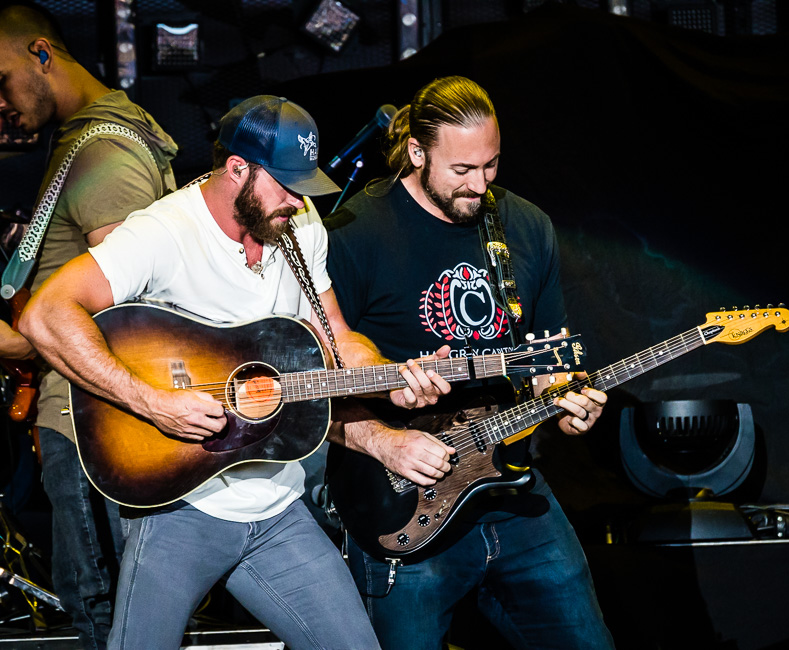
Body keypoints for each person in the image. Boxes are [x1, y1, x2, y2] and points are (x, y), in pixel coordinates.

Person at [19, 93, 451, 650]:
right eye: (286, 186)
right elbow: (45, 314)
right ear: (237, 169)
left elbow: (338, 338)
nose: (298, 202)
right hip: (181, 510)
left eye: (304, 187)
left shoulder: (300, 226)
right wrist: (149, 401)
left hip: (277, 509)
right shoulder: (165, 232)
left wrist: (394, 375)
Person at [324, 75, 615, 649]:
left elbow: (548, 362)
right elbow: (323, 388)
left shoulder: (526, 227)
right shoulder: (356, 232)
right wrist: (385, 442)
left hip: (511, 489)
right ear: (416, 153)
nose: (479, 186)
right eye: (461, 171)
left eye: (491, 166)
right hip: (403, 497)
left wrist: (566, 402)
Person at [0, 3, 177, 648]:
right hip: (80, 417)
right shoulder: (82, 144)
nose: (0, 103)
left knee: (108, 615)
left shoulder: (104, 150)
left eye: (2, 80)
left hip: (97, 426)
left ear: (41, 53)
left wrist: (19, 338)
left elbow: (128, 317)